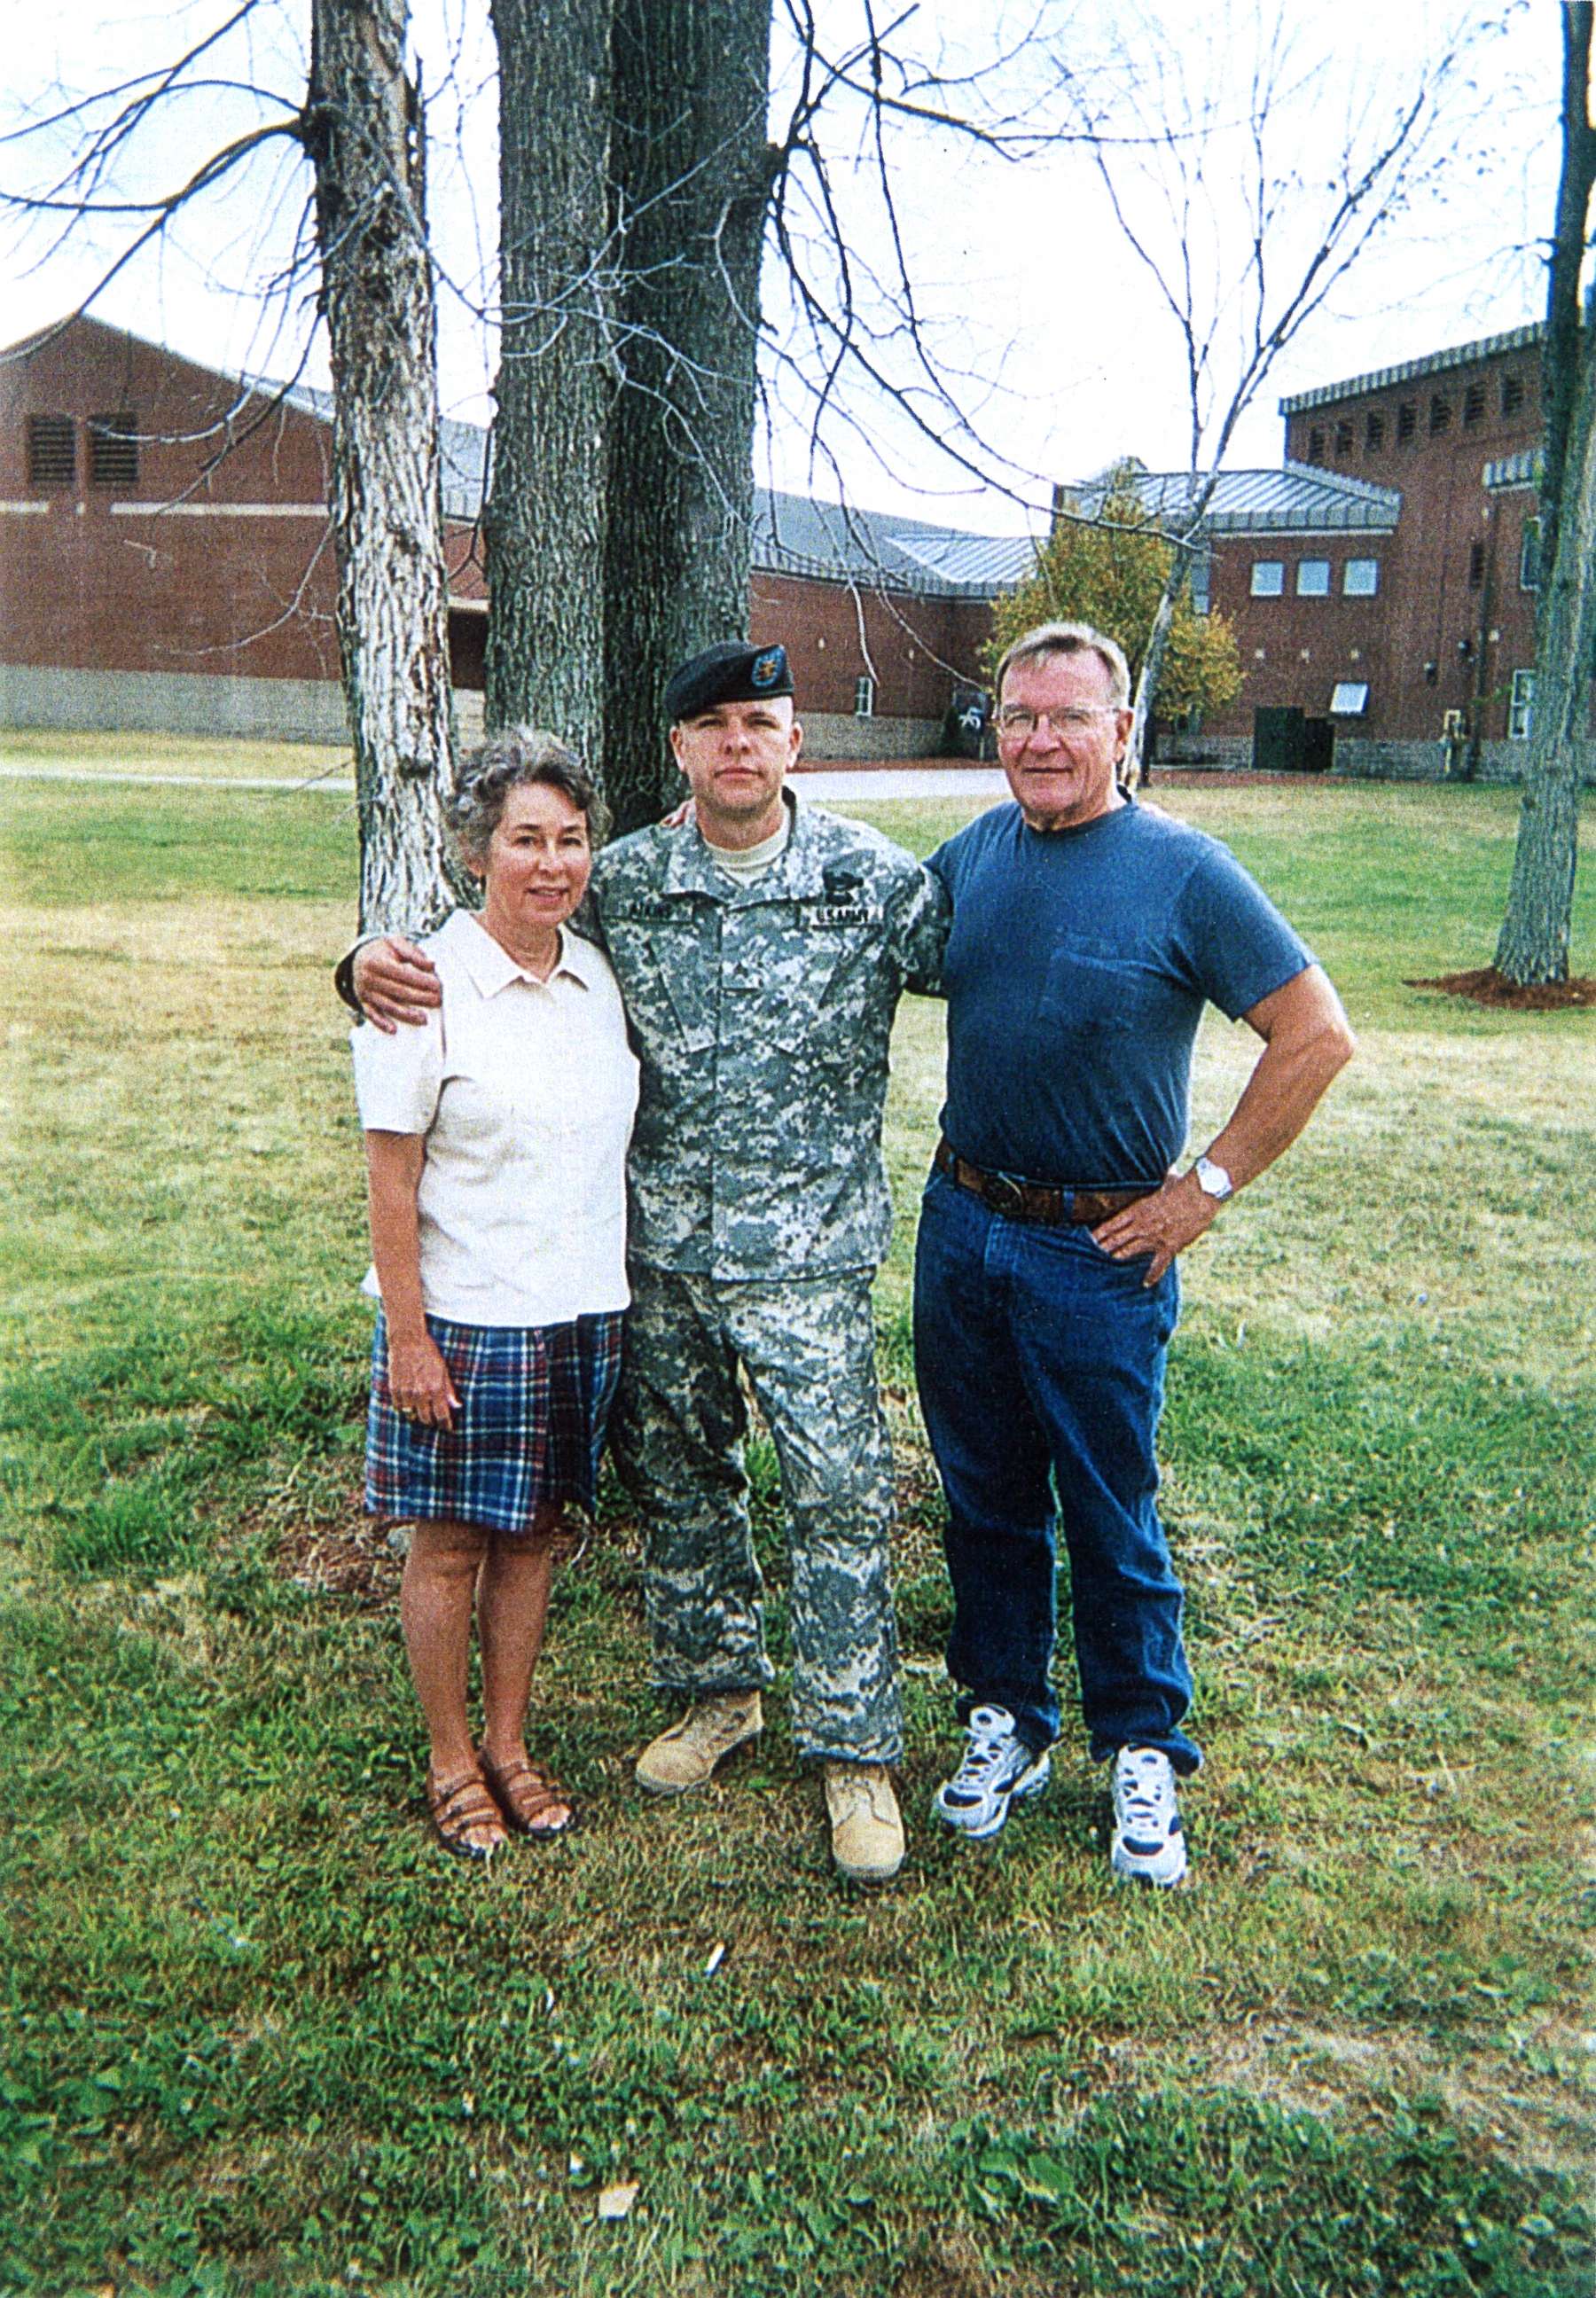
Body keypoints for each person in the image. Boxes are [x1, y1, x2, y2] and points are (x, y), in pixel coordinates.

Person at [348, 642, 948, 1884]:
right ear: (678, 751)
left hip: (808, 1261)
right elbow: (473, 941)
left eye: (763, 722)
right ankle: (716, 1692)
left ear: (799, 742)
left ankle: (854, 1752)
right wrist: (353, 964)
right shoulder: (620, 884)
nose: (739, 744)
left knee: (837, 1498)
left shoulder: (877, 885)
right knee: (685, 1486)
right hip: (657, 1265)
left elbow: (1007, 973)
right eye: (713, 724)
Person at [916, 621, 1355, 1886]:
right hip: (964, 1225)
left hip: (1100, 1254)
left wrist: (1203, 1188)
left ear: (1123, 731)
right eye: (1017, 718)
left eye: (1068, 718)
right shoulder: (973, 857)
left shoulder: (1184, 872)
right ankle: (1008, 1712)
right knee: (985, 1492)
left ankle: (1141, 1742)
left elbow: (1315, 1034)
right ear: (993, 731)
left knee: (1110, 1503)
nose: (1040, 740)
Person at [352, 731, 638, 1863]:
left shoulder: (593, 975)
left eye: (571, 841)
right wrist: (410, 1338)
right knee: (454, 1548)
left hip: (578, 1313)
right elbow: (390, 1175)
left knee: (536, 1541)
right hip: (466, 1323)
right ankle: (449, 1759)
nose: (552, 863)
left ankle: (512, 1747)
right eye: (526, 839)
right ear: (478, 851)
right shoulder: (421, 987)